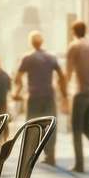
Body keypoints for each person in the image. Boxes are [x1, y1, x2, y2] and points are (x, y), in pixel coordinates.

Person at [14, 30, 67, 166]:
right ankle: (50, 155)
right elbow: (61, 75)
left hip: (34, 97)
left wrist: (17, 92)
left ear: (31, 42)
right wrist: (64, 94)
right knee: (50, 126)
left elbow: (18, 77)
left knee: (32, 126)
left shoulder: (27, 58)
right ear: (42, 42)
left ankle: (29, 156)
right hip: (49, 95)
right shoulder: (51, 57)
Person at [66, 21, 89, 173]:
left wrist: (62, 92)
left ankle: (79, 164)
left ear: (73, 32)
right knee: (88, 129)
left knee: (76, 129)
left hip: (81, 92)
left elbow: (68, 71)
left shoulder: (74, 46)